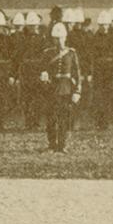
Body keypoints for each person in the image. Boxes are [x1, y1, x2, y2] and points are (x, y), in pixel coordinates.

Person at [42, 22, 82, 152]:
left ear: (65, 38)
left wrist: (77, 91)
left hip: (66, 88)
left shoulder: (71, 53)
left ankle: (62, 145)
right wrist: (43, 74)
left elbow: (77, 73)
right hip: (51, 88)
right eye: (56, 38)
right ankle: (52, 144)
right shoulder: (47, 53)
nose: (58, 41)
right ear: (53, 39)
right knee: (51, 118)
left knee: (64, 117)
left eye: (61, 38)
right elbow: (43, 69)